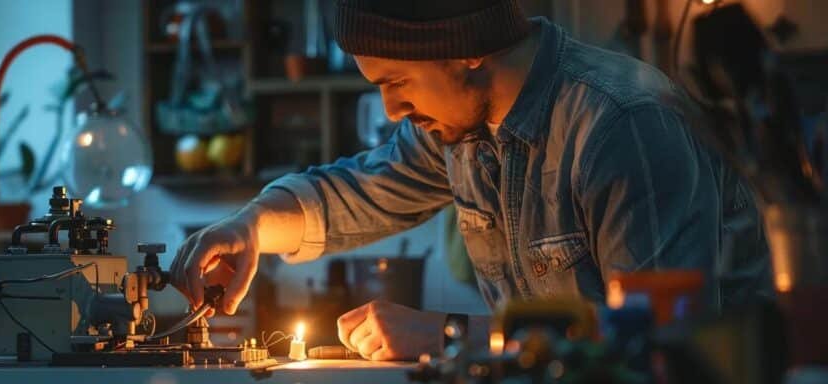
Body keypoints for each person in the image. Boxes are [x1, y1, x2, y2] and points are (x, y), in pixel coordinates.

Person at [170, 0, 770, 361]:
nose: (390, 111)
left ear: (468, 50)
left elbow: (658, 344)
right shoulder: (457, 127)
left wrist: (447, 335)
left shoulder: (625, 126)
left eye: (396, 82)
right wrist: (252, 224)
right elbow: (361, 190)